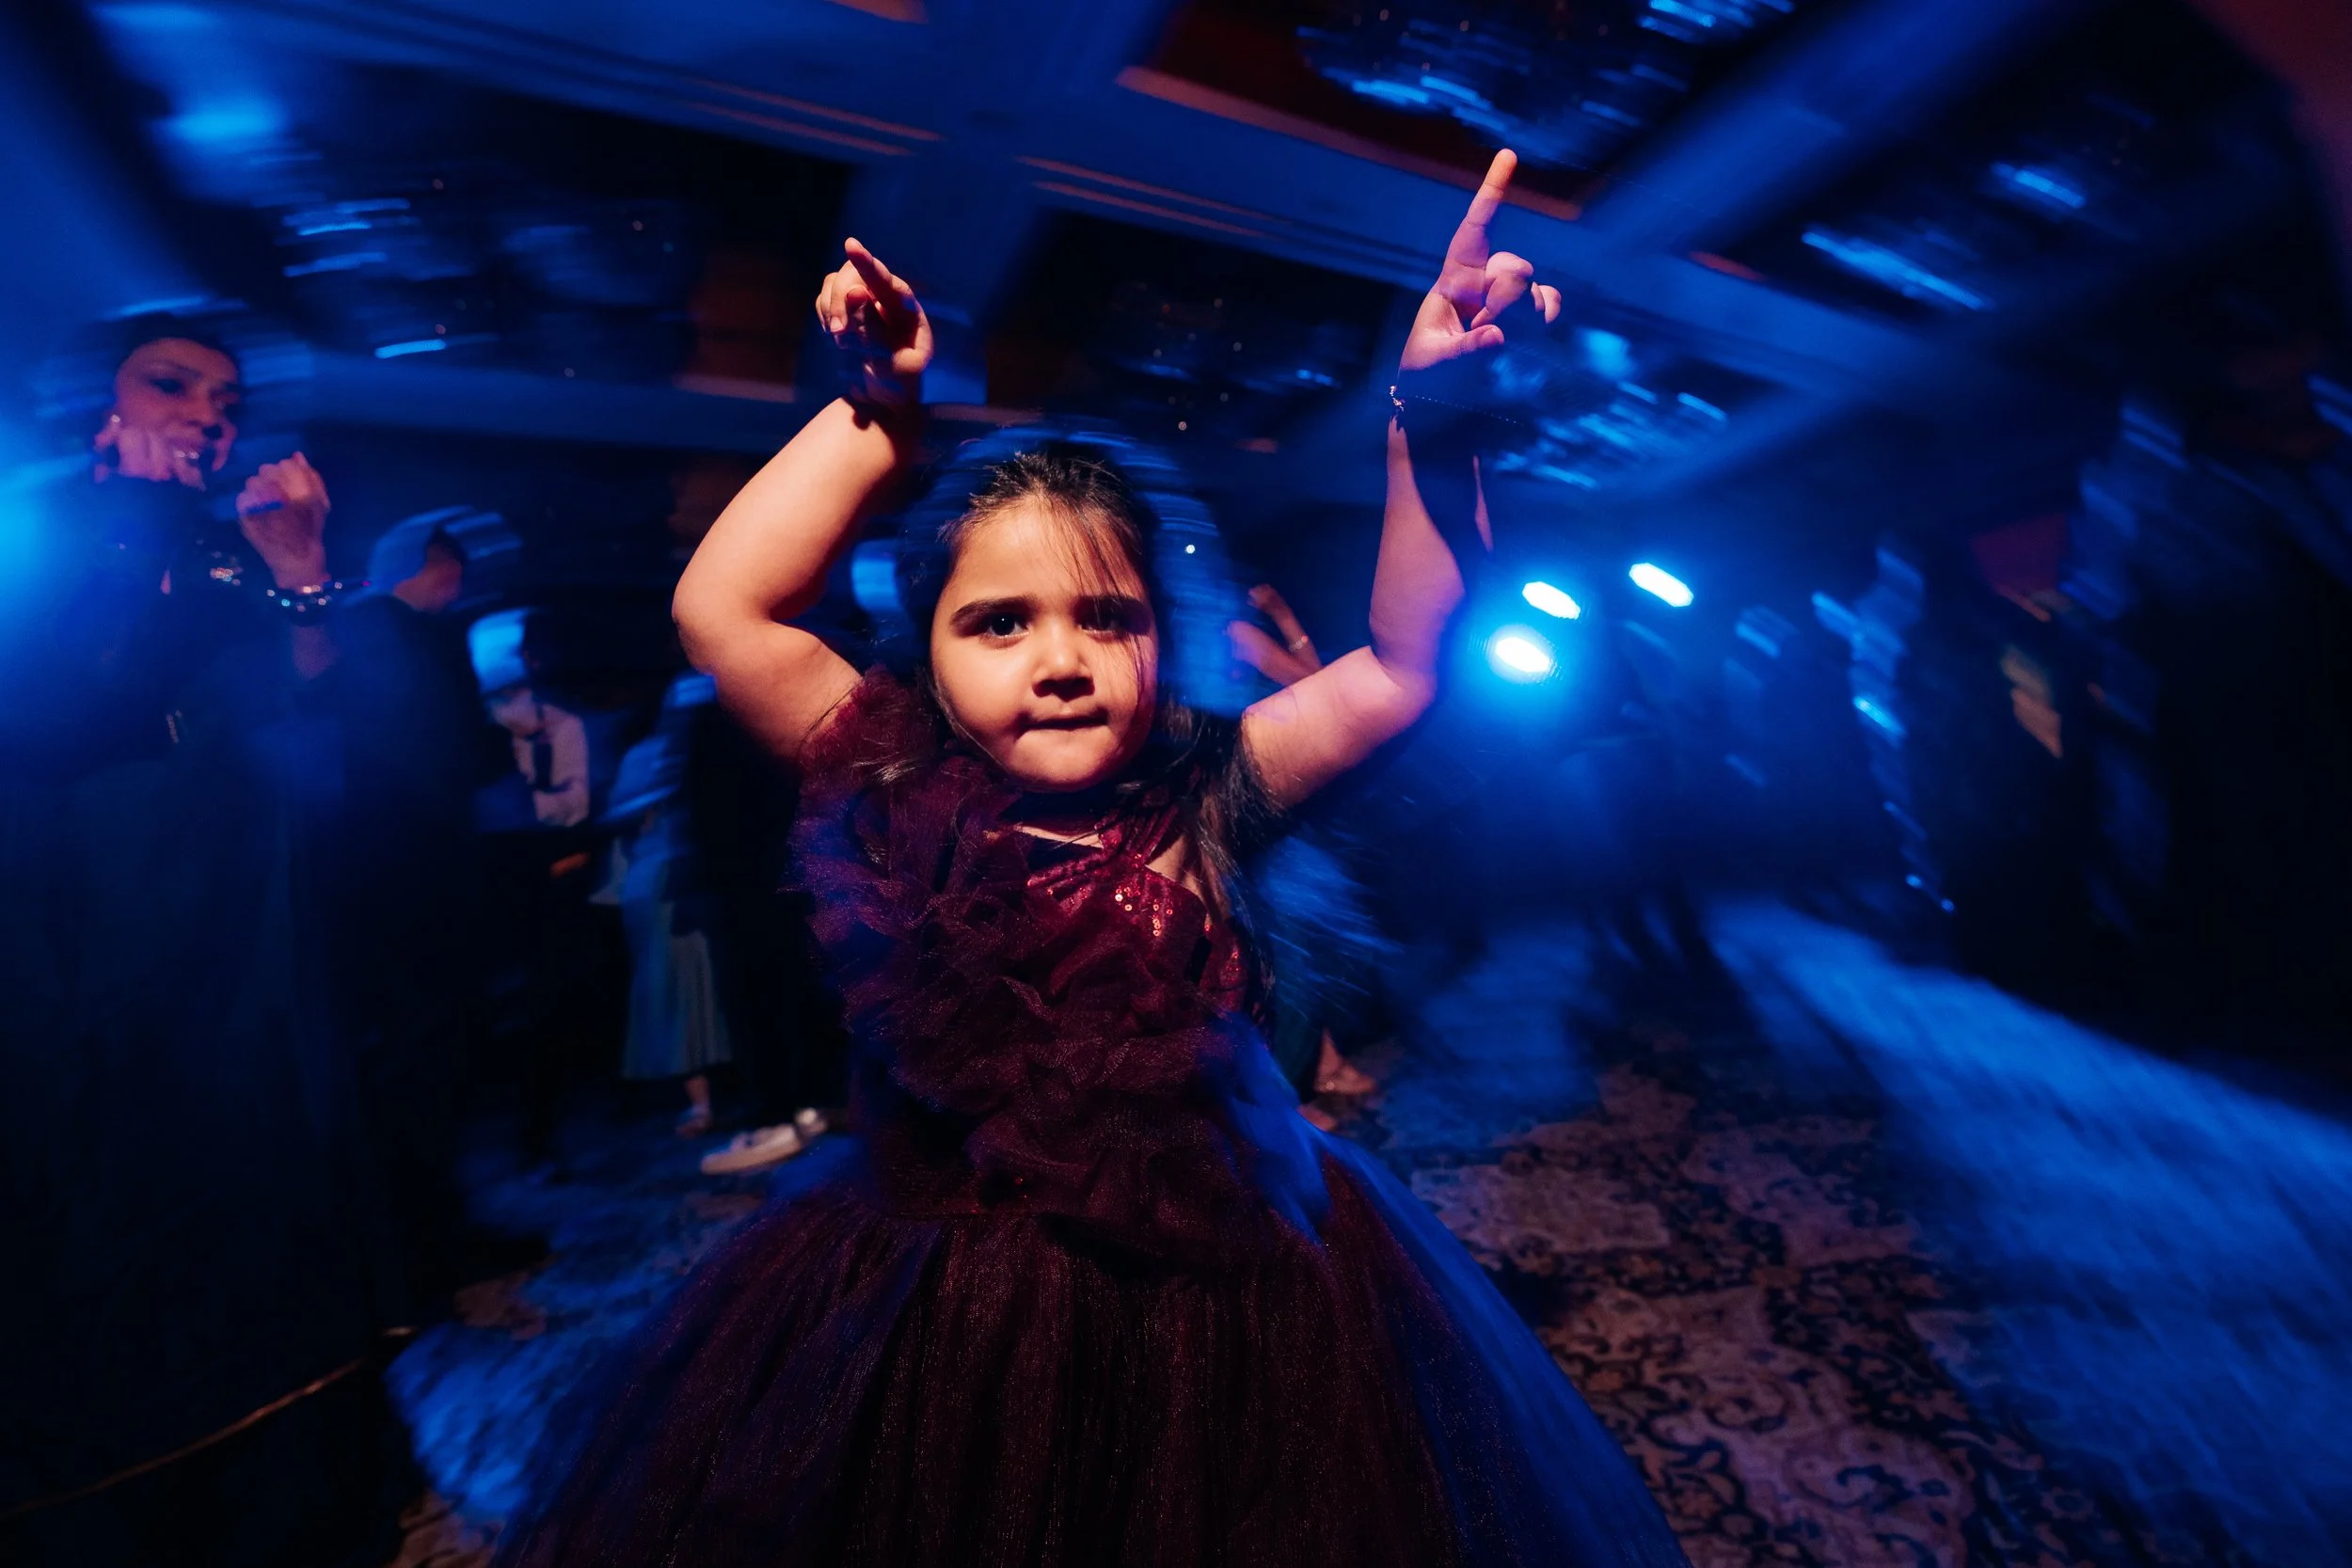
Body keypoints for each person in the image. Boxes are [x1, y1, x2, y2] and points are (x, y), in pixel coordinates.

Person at [500, 155, 1689, 1567]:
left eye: (1104, 617)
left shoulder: (1206, 788)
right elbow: (724, 605)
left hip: (1226, 1292)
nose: (1058, 660)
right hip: (943, 1296)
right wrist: (875, 416)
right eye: (997, 622)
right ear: (926, 655)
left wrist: (1420, 425)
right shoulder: (890, 776)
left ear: (1155, 639)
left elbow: (1408, 661)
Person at [0, 312, 409, 1567]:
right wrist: (130, 515)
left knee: (261, 1197)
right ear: (93, 408)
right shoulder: (42, 534)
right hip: (80, 940)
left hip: (238, 942)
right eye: (171, 385)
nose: (209, 415)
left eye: (225, 399)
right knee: (105, 1208)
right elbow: (68, 704)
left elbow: (340, 737)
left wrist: (298, 568)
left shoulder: (235, 560)